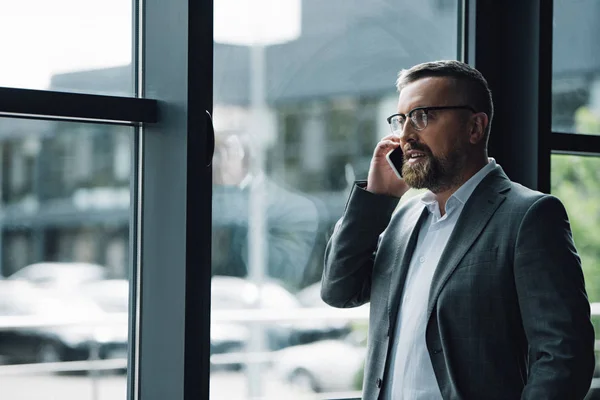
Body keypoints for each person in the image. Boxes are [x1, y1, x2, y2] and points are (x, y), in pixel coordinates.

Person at [321, 60, 595, 399]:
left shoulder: (530, 216)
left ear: (475, 128)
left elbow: (564, 354)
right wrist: (376, 199)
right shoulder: (404, 220)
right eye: (401, 119)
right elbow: (338, 290)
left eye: (422, 116)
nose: (405, 135)